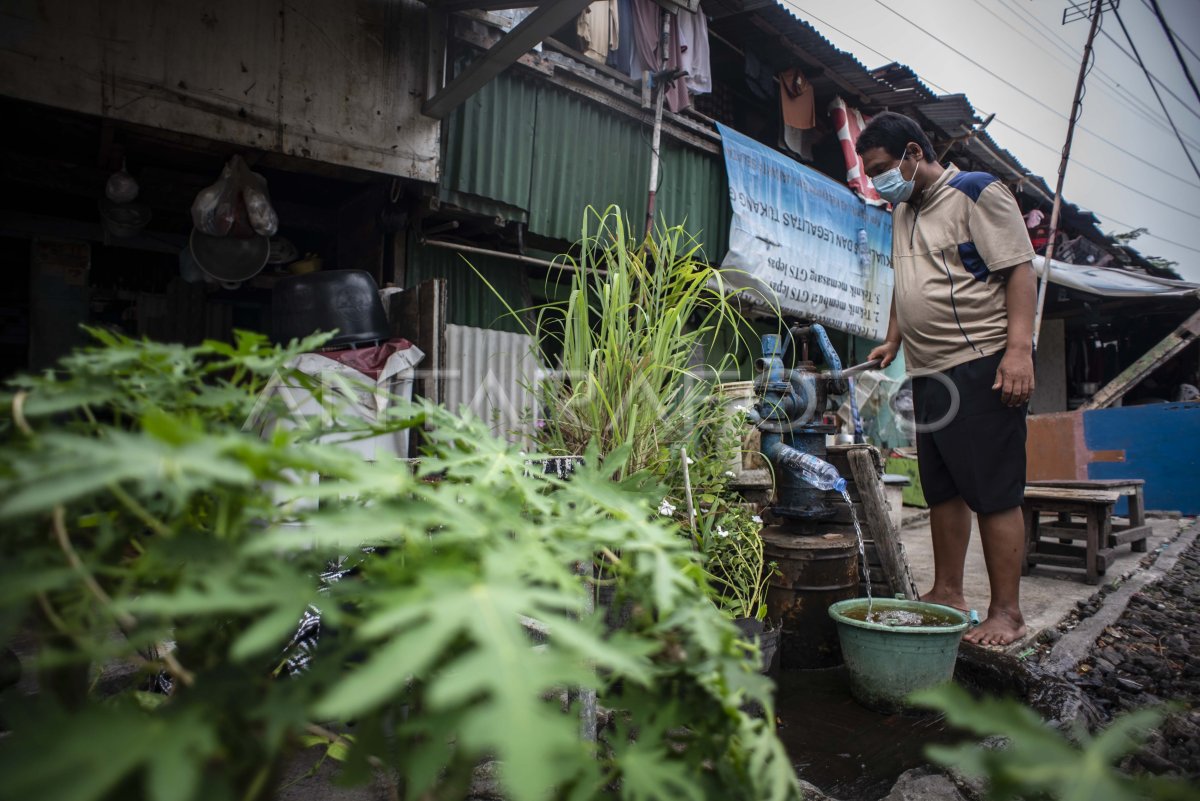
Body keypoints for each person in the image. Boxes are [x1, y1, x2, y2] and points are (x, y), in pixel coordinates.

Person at [855, 112, 1037, 646]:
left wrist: (1018, 353)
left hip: (982, 360)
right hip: (930, 369)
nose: (880, 180)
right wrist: (894, 338)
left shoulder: (978, 192)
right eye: (872, 173)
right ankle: (949, 592)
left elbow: (1019, 268)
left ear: (914, 152)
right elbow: (906, 281)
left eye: (884, 168)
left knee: (995, 491)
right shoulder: (902, 210)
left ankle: (1007, 613)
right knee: (943, 490)